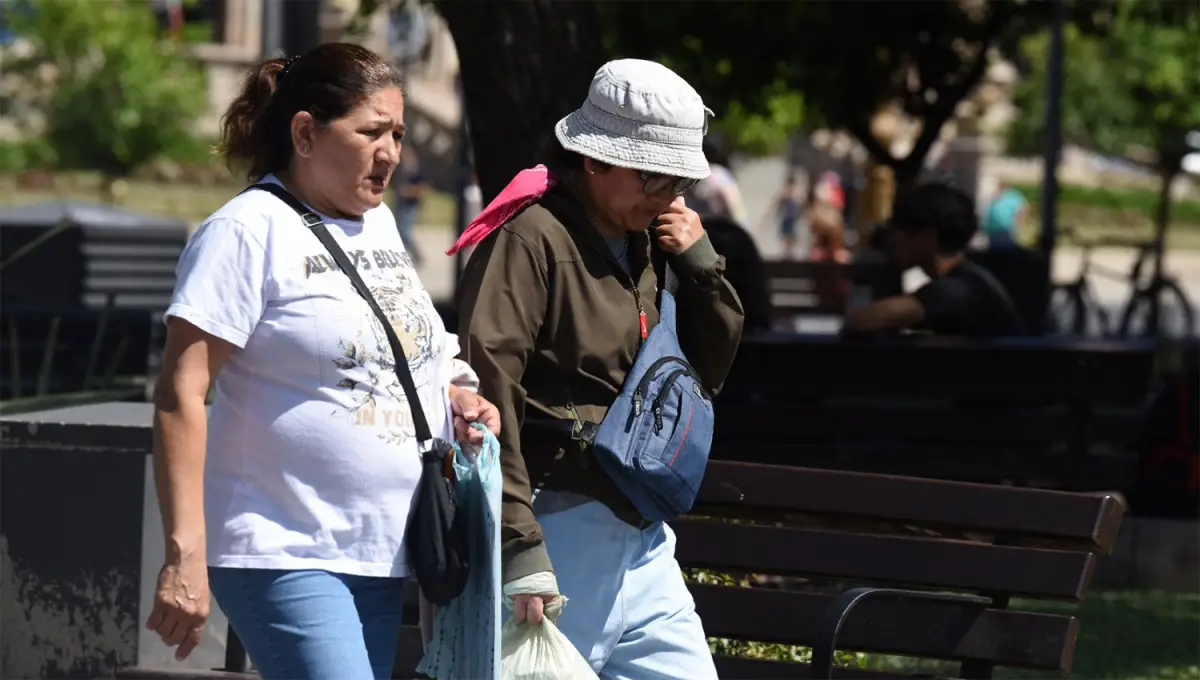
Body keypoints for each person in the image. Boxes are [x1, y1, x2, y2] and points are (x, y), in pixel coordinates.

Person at [145, 42, 500, 680]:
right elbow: (180, 391)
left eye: (397, 132)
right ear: (304, 132)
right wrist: (184, 554)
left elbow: (412, 341)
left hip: (383, 549)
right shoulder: (245, 232)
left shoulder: (380, 223)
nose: (391, 151)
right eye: (370, 132)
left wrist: (456, 392)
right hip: (283, 549)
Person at [453, 59, 744, 678]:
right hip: (561, 522)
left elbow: (705, 373)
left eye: (678, 179)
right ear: (593, 160)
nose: (667, 193)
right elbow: (487, 390)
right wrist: (519, 543)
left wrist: (700, 266)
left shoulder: (652, 239)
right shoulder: (531, 236)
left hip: (643, 528)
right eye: (653, 176)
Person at [843, 183, 1027, 337]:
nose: (891, 240)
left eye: (899, 229)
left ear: (928, 237)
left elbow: (860, 321)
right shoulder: (972, 280)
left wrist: (879, 273)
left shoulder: (957, 290)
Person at [391, 151, 428, 265]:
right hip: (400, 204)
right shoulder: (401, 172)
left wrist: (407, 191)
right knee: (399, 231)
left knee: (406, 232)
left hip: (410, 206)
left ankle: (417, 256)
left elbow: (421, 190)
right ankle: (402, 255)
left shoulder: (417, 173)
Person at [983, 181, 1029, 249]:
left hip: (1005, 230)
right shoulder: (995, 195)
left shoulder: (1013, 196)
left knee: (1004, 251)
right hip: (993, 231)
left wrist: (1020, 222)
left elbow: (1024, 207)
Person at [771, 173, 805, 258]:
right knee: (787, 238)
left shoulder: (795, 194)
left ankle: (789, 254)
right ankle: (787, 254)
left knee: (791, 239)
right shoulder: (786, 193)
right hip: (787, 218)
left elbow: (801, 206)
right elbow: (778, 204)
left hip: (791, 219)